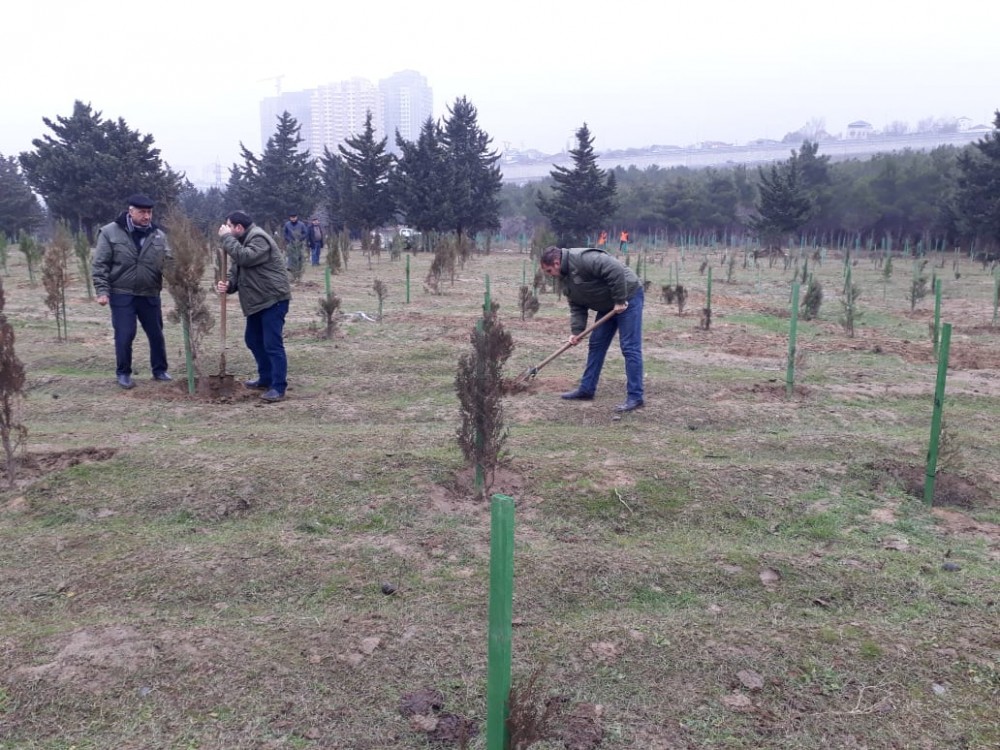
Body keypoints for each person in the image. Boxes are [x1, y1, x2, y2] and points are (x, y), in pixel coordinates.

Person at [540, 245, 645, 412]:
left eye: (549, 271)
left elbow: (615, 269)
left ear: (556, 262)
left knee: (629, 347)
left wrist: (619, 299)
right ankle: (586, 389)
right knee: (596, 343)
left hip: (628, 296)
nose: (549, 275)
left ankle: (635, 397)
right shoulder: (565, 279)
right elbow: (577, 305)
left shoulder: (583, 258)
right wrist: (577, 332)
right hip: (607, 303)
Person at [91, 193, 172, 389]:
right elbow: (100, 264)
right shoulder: (110, 232)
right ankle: (123, 373)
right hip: (122, 293)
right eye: (142, 212)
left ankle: (160, 370)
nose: (146, 216)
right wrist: (102, 291)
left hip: (150, 293)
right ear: (131, 211)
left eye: (149, 212)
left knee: (156, 333)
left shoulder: (158, 235)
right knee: (125, 334)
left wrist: (180, 281)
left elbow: (168, 263)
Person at [216, 211, 292, 403]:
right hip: (257, 301)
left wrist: (226, 238)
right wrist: (229, 285)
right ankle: (265, 378)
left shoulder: (258, 237)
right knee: (252, 339)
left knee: (272, 344)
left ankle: (278, 386)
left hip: (272, 299)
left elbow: (246, 258)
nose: (226, 229)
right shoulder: (241, 241)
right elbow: (237, 271)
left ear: (238, 228)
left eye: (229, 226)